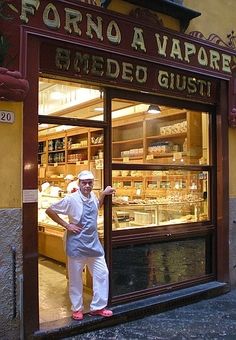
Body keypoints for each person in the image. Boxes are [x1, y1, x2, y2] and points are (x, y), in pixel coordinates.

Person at [46, 170, 115, 320]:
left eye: (90, 183)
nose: (87, 186)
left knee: (102, 274)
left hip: (93, 244)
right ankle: (77, 309)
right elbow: (50, 210)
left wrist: (103, 194)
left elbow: (97, 206)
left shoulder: (93, 197)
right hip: (76, 245)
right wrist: (66, 225)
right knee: (76, 278)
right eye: (84, 183)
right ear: (79, 183)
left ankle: (98, 307)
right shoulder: (71, 199)